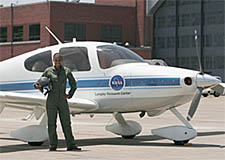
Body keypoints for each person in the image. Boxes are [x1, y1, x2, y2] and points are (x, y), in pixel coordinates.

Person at [34, 53, 81, 151]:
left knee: (66, 123)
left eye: (59, 60)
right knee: (51, 123)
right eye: (56, 60)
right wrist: (38, 86)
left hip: (62, 101)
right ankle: (52, 145)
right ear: (53, 61)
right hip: (51, 100)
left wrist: (69, 94)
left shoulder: (66, 71)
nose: (58, 62)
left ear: (62, 61)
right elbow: (40, 83)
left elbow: (73, 84)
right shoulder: (48, 71)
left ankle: (71, 145)